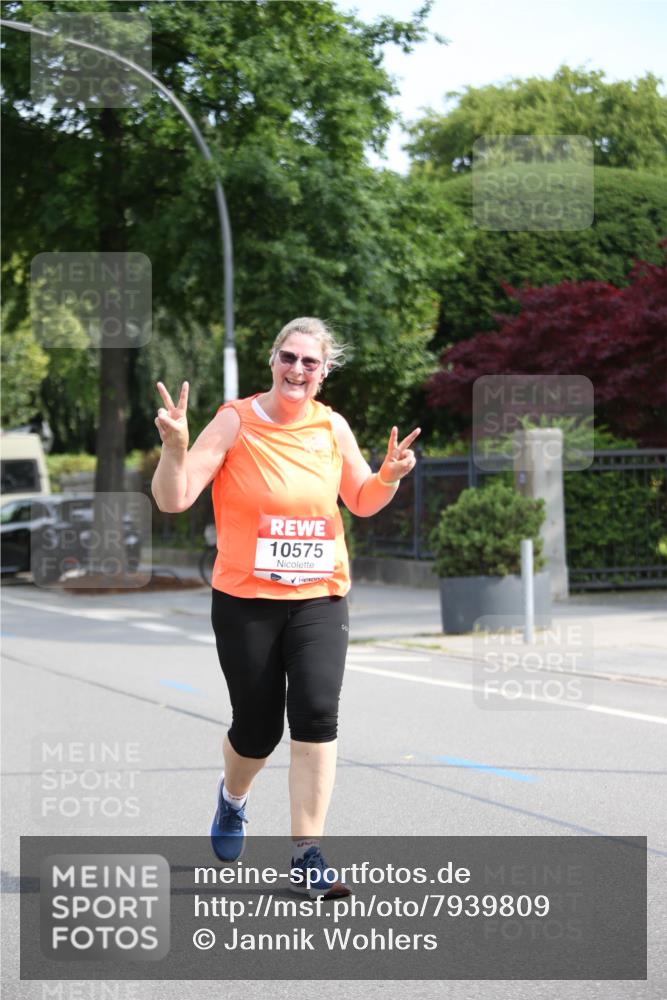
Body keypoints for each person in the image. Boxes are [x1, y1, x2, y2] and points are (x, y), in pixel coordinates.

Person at [151, 317, 419, 898]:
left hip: (320, 596)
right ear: (272, 360)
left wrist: (390, 477)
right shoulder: (234, 421)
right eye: (289, 358)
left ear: (324, 372)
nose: (298, 370)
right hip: (246, 599)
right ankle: (233, 797)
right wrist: (174, 447)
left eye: (310, 362)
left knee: (318, 712)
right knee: (257, 728)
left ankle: (307, 852)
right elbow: (174, 499)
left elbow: (361, 500)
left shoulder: (332, 426)